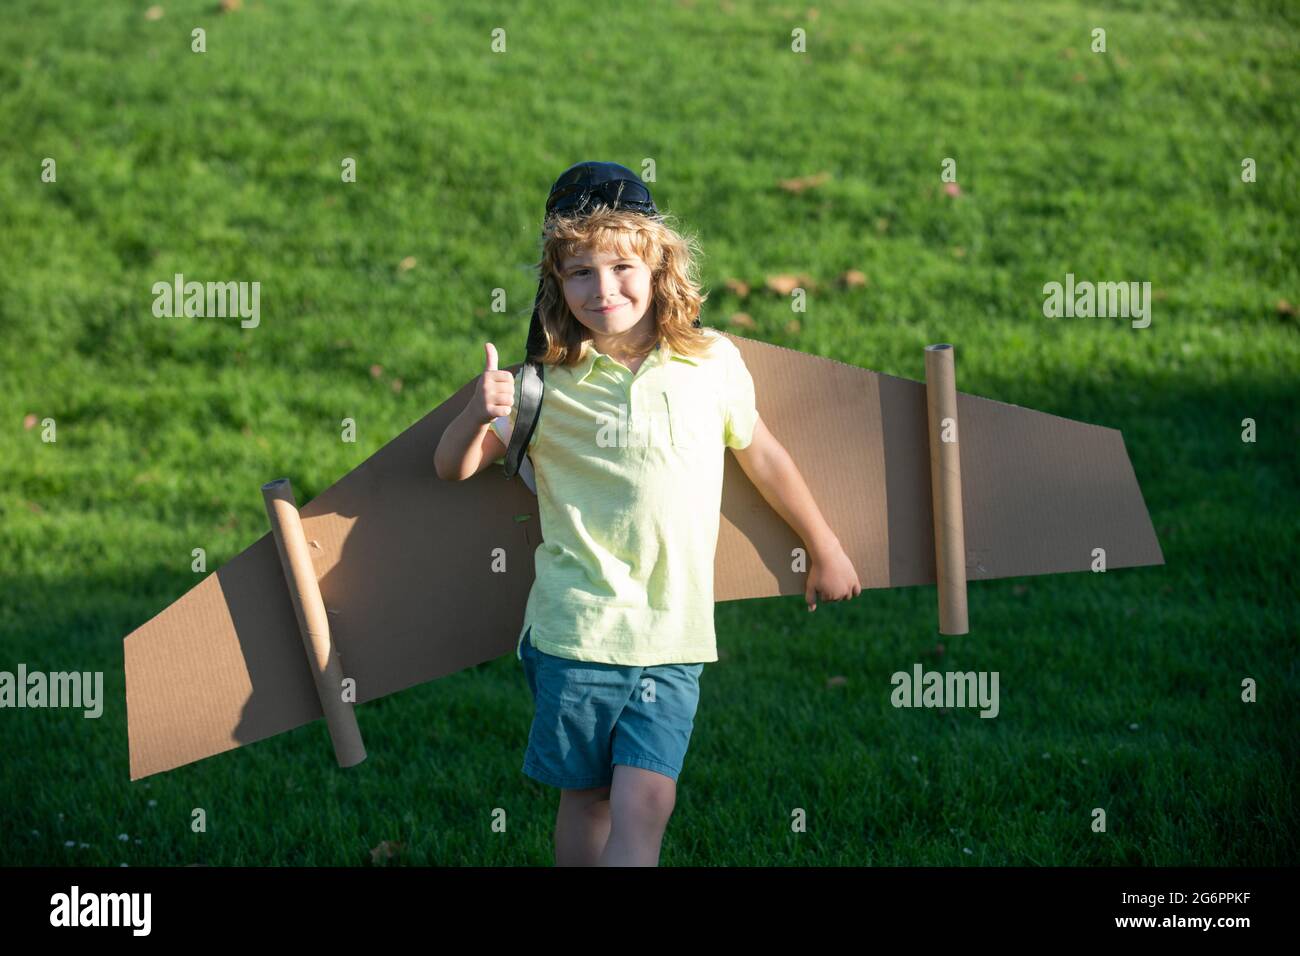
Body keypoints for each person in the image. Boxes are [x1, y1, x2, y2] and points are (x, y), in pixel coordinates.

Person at [434, 165, 861, 866]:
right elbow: (452, 468)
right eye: (580, 273)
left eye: (622, 266)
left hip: (674, 632)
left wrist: (824, 546)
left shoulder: (710, 361)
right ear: (556, 284)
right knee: (591, 799)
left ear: (660, 264)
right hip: (578, 632)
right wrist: (477, 413)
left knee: (650, 799)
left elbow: (763, 456)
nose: (603, 289)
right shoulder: (542, 385)